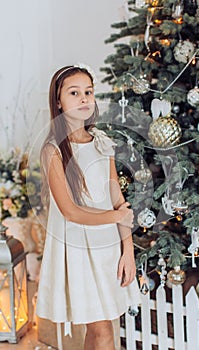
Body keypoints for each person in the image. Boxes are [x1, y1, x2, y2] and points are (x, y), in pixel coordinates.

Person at [36, 64, 140, 350]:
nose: (83, 99)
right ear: (59, 101)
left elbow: (118, 200)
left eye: (88, 92)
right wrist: (116, 216)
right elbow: (70, 211)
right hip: (78, 251)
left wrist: (127, 251)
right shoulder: (53, 150)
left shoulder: (102, 143)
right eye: (74, 93)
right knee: (104, 330)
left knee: (99, 330)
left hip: (107, 248)